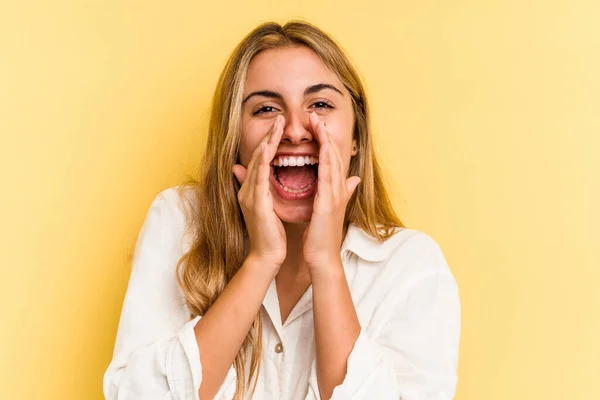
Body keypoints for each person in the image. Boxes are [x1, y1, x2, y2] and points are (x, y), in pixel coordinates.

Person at [103, 20, 461, 400]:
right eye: (266, 108)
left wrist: (325, 262)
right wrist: (261, 260)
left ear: (355, 138)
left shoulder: (411, 267)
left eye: (320, 104)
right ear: (234, 139)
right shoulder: (178, 222)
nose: (293, 130)